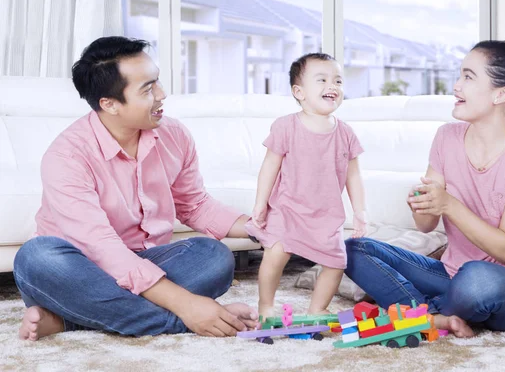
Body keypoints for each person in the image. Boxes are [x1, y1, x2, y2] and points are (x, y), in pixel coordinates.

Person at [13, 36, 259, 341]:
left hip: (146, 261)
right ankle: (179, 321)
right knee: (36, 257)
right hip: (80, 267)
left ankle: (71, 321)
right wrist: (190, 307)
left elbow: (194, 204)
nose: (162, 94)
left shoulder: (174, 135)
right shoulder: (66, 156)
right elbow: (101, 247)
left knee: (214, 256)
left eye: (157, 82)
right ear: (110, 104)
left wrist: (260, 227)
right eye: (148, 89)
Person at [345, 40, 505, 338]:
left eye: (468, 77)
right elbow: (426, 227)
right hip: (452, 275)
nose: (456, 86)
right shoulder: (447, 137)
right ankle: (436, 317)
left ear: (500, 94)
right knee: (352, 249)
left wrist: (449, 205)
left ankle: (417, 310)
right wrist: (423, 205)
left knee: (476, 281)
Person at [246, 53, 367, 318]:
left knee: (337, 263)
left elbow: (353, 176)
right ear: (298, 91)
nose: (332, 86)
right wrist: (260, 204)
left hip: (326, 215)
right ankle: (266, 304)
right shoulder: (286, 126)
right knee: (275, 255)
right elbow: (269, 168)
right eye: (322, 80)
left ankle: (318, 308)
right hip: (287, 209)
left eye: (338, 81)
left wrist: (360, 212)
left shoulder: (345, 133)